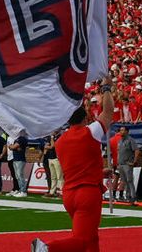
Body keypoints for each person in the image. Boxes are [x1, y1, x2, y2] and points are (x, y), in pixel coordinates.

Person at [31, 79, 113, 252]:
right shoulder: (90, 131)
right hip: (87, 192)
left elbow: (77, 165)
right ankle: (46, 248)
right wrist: (106, 88)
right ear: (85, 118)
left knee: (91, 238)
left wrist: (99, 173)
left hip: (69, 193)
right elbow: (108, 112)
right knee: (83, 240)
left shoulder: (60, 141)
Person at [115, 127, 140, 204]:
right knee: (124, 181)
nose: (121, 131)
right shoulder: (120, 141)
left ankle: (133, 197)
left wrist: (134, 161)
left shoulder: (130, 140)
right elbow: (119, 152)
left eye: (123, 130)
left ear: (127, 131)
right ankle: (127, 196)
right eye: (120, 130)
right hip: (121, 164)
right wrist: (117, 162)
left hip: (127, 163)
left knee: (130, 180)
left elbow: (136, 150)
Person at [9, 130, 29, 197]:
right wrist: (13, 147)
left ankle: (23, 191)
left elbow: (13, 147)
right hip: (15, 159)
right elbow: (10, 147)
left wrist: (13, 147)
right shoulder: (16, 139)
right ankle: (20, 190)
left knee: (20, 175)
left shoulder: (22, 139)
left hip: (20, 159)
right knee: (17, 176)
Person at [43, 132, 61, 197]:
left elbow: (52, 146)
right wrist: (48, 146)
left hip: (56, 159)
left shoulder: (59, 136)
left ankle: (62, 192)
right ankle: (52, 192)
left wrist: (52, 138)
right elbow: (45, 146)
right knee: (53, 177)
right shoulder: (49, 138)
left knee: (59, 176)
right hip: (50, 158)